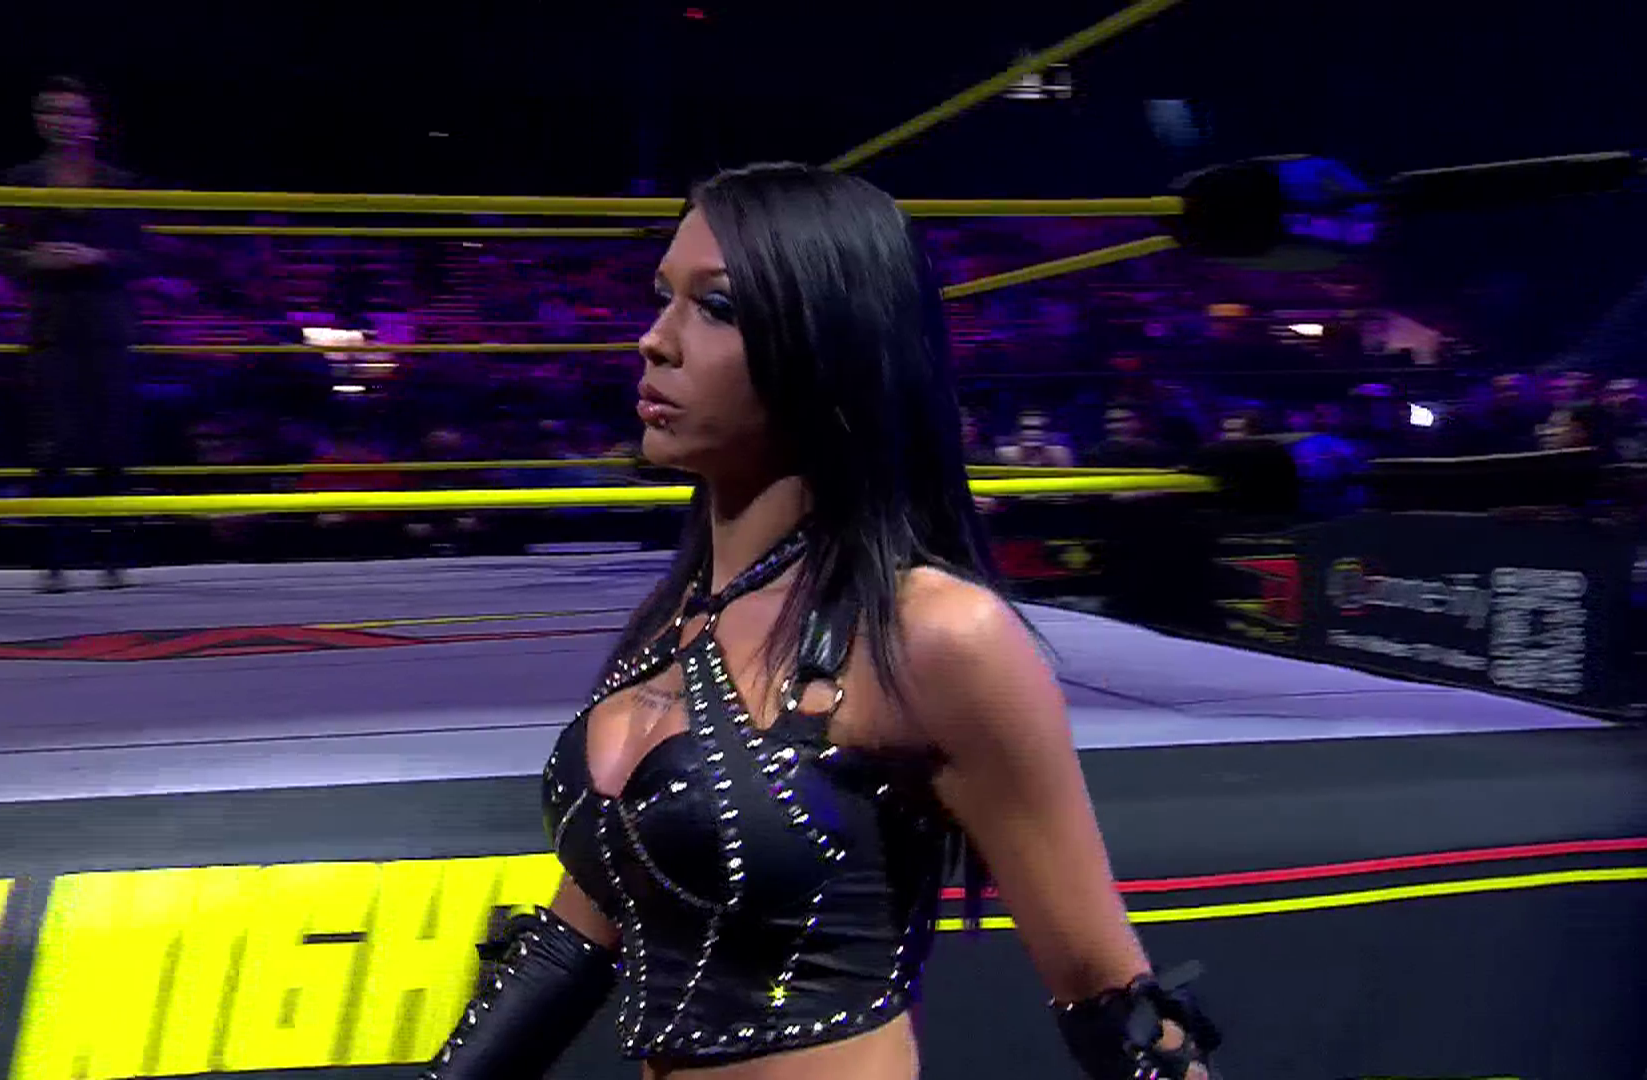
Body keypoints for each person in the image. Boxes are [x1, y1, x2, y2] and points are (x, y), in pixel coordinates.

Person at [420, 164, 1219, 1080]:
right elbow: (578, 933)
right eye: (661, 297)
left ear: (829, 345)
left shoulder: (935, 634)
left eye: (717, 307)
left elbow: (1108, 996)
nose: (655, 341)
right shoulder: (681, 619)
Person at [0, 75, 145, 593]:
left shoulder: (119, 183)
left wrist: (96, 256)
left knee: (112, 439)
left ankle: (114, 559)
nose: (64, 122)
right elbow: (2, 254)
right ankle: (54, 561)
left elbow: (142, 256)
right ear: (39, 120)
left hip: (107, 323)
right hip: (50, 323)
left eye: (74, 112)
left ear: (93, 122)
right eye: (53, 111)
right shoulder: (21, 180)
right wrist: (34, 259)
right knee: (52, 443)